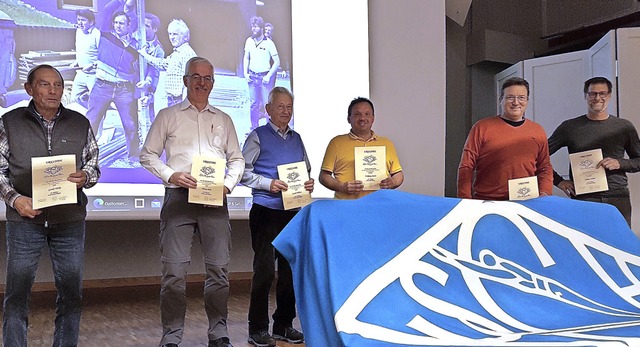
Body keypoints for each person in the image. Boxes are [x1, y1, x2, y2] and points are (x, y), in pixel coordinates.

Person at [139, 56, 244, 347]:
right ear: (185, 80)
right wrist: (172, 175)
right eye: (195, 77)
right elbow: (147, 155)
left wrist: (228, 184)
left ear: (213, 83)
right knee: (173, 273)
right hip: (178, 200)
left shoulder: (223, 119)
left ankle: (219, 333)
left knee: (219, 271)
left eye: (207, 78)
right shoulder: (167, 115)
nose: (201, 82)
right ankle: (171, 337)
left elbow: (236, 159)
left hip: (215, 201)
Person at [0, 65, 100, 346]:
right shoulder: (10, 122)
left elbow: (93, 165)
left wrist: (86, 177)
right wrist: (16, 200)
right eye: (45, 84)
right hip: (25, 220)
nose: (53, 90)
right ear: (30, 89)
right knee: (17, 293)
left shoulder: (79, 122)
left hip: (69, 220)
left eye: (58, 85)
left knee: (71, 294)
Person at [241, 87, 311, 347]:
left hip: (292, 212)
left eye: (289, 107)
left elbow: (306, 169)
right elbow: (242, 172)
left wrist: (308, 184)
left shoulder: (297, 138)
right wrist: (267, 184)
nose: (285, 111)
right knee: (265, 271)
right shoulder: (257, 136)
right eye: (280, 106)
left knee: (290, 271)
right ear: (268, 109)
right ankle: (257, 328)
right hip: (265, 211)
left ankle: (283, 324)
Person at [548, 76, 640, 226]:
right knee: (585, 244)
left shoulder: (624, 127)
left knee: (618, 246)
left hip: (617, 197)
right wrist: (559, 182)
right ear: (586, 96)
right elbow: (538, 156)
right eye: (593, 94)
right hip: (584, 198)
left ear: (609, 96)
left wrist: (620, 163)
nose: (597, 98)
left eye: (602, 93)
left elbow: (639, 160)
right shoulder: (569, 127)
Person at [457, 77, 553, 200]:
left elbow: (545, 167)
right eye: (510, 97)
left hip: (528, 202)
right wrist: (465, 200)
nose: (516, 102)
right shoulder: (482, 128)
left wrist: (545, 195)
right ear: (501, 100)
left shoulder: (538, 130)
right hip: (488, 202)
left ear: (527, 101)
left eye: (521, 98)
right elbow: (466, 166)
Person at [319, 97, 404, 199]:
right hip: (346, 207)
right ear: (348, 118)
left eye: (367, 114)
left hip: (379, 205)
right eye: (357, 114)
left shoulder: (387, 143)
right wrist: (342, 187)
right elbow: (324, 176)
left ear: (373, 118)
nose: (362, 118)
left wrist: (392, 182)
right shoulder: (336, 143)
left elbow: (398, 174)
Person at [86, 11, 141, 160]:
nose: (117, 26)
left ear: (129, 25)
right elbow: (109, 8)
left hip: (124, 89)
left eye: (122, 23)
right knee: (91, 122)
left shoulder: (136, 45)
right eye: (116, 22)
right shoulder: (105, 35)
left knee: (130, 124)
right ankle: (85, 155)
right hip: (102, 87)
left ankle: (133, 156)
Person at [139, 19, 197, 108]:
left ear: (184, 36)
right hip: (172, 100)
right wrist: (145, 55)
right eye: (170, 34)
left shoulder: (187, 54)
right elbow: (162, 64)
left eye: (175, 34)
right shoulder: (177, 53)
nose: (172, 37)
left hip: (179, 102)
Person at [244, 16, 279, 130]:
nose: (253, 29)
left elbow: (277, 62)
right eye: (252, 26)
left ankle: (270, 130)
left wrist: (268, 76)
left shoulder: (269, 43)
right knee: (253, 104)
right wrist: (245, 72)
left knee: (267, 105)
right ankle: (254, 128)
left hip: (264, 78)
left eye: (256, 27)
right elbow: (246, 57)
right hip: (252, 77)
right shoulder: (249, 41)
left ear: (261, 28)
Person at [136, 12, 165, 123]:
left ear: (155, 29)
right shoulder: (136, 39)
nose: (143, 29)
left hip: (146, 86)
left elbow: (154, 71)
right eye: (142, 25)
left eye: (147, 26)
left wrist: (150, 91)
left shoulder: (158, 50)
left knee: (149, 117)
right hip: (132, 83)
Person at [69, 8, 100, 109]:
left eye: (83, 20)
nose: (80, 23)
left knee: (96, 102)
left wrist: (92, 65)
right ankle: (92, 113)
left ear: (91, 22)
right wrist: (76, 61)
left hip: (94, 75)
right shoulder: (78, 32)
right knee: (75, 97)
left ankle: (98, 122)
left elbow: (104, 57)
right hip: (81, 73)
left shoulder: (97, 34)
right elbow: (82, 50)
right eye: (78, 20)